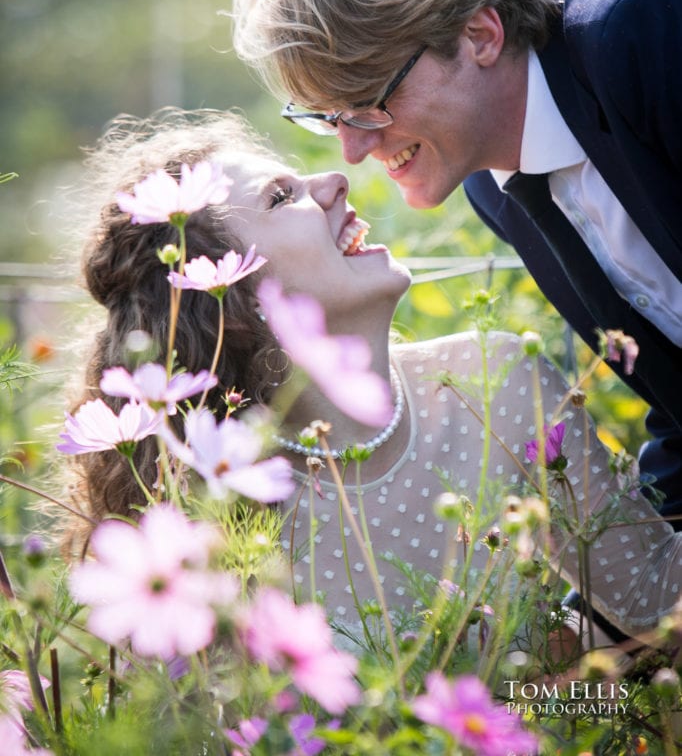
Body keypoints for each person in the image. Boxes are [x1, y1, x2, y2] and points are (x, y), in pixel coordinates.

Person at [60, 109, 682, 644]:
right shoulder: (206, 507)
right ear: (227, 295)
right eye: (280, 197)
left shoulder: (497, 384)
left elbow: (657, 605)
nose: (333, 179)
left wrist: (553, 695)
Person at [231, 0, 682, 527]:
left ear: (479, 33)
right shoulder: (497, 192)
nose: (353, 148)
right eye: (330, 119)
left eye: (367, 102)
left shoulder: (649, 31)